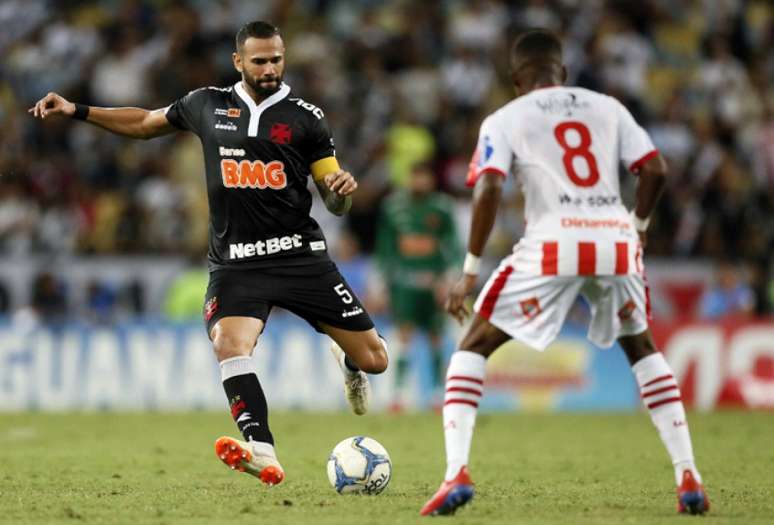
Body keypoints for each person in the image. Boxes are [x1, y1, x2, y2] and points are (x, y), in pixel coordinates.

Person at [29, 21, 388, 486]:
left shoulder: (307, 118)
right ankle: (262, 450)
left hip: (300, 257)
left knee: (376, 358)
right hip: (237, 261)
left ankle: (350, 362)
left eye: (276, 59)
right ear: (238, 61)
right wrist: (77, 109)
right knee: (229, 343)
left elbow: (334, 199)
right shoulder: (207, 104)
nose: (269, 68)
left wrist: (340, 191)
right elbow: (143, 124)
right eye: (259, 60)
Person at [420, 30, 709, 516]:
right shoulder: (607, 106)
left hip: (553, 241)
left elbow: (488, 187)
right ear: (564, 73)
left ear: (516, 81)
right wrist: (637, 228)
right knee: (641, 346)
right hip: (616, 239)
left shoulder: (506, 117)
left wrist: (469, 272)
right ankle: (688, 476)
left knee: (472, 345)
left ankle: (456, 474)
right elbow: (655, 169)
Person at [376, 162, 461, 409]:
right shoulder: (393, 207)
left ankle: (436, 394)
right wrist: (381, 283)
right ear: (409, 178)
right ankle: (399, 395)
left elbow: (452, 245)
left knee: (435, 337)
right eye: (416, 176)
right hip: (404, 283)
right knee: (404, 335)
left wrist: (448, 278)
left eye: (424, 176)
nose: (420, 182)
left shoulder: (442, 208)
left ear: (432, 180)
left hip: (433, 283)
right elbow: (385, 247)